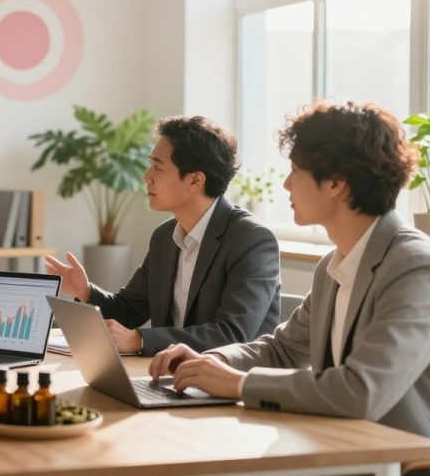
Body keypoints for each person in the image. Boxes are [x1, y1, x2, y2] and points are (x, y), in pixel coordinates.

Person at [149, 101, 430, 461]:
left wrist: (237, 383)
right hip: (348, 450)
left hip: (414, 465)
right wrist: (209, 360)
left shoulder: (415, 266)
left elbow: (361, 390)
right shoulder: (336, 264)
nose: (286, 182)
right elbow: (281, 349)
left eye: (296, 169)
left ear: (336, 183)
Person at [45, 116, 280, 356]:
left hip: (232, 384)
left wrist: (140, 340)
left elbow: (231, 334)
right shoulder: (164, 237)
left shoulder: (252, 240)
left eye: (158, 167)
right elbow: (129, 310)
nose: (146, 177)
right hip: (169, 377)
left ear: (195, 180)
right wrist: (85, 291)